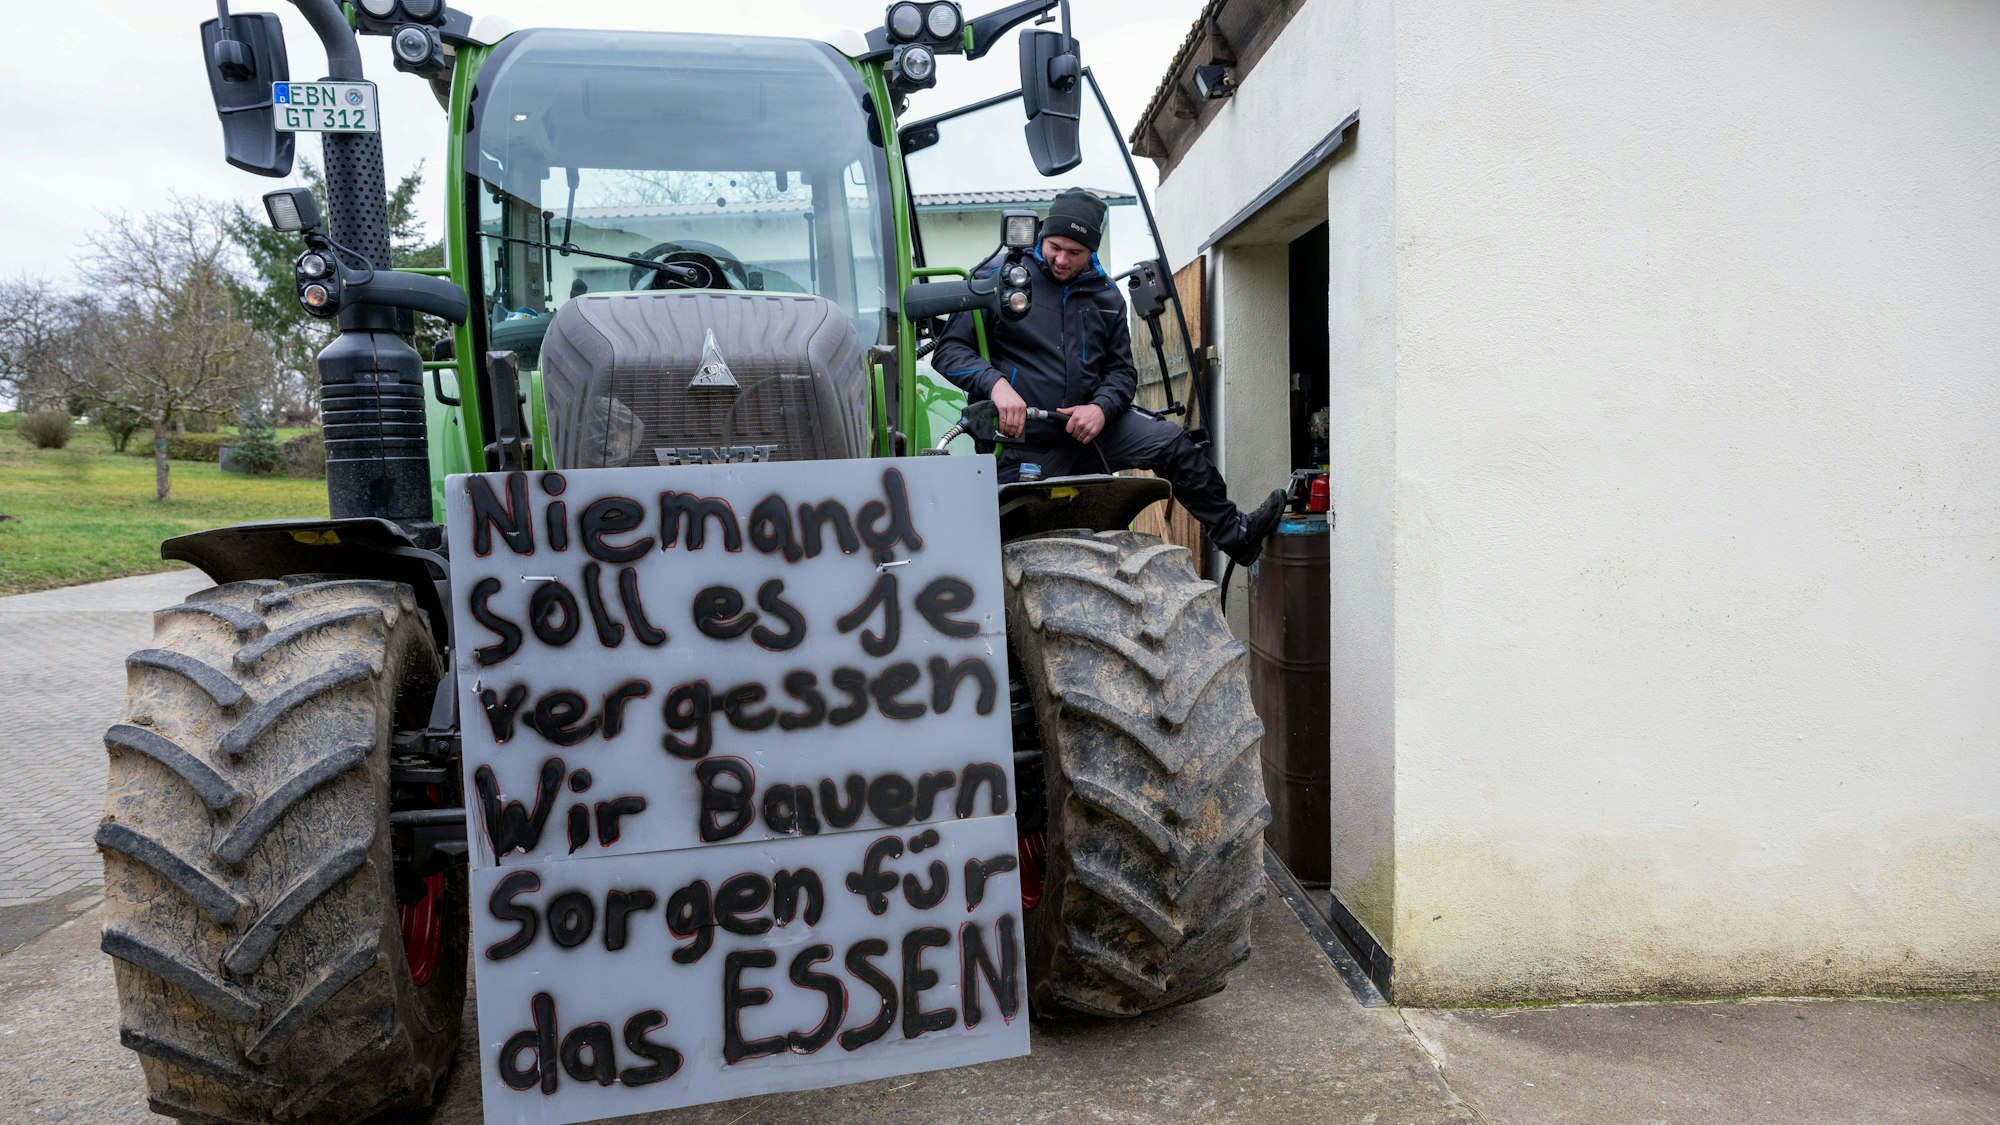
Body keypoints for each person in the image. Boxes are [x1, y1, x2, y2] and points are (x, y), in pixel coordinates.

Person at [931, 187, 1288, 566]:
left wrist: (1101, 409)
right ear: (1041, 236)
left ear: (1092, 251)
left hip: (1090, 432)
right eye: (1054, 246)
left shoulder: (1106, 297)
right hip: (1025, 442)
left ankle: (1237, 535)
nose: (1062, 259)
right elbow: (949, 351)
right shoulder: (999, 278)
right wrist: (997, 386)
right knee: (1018, 549)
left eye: (1075, 252)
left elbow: (1121, 373)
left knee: (1171, 442)